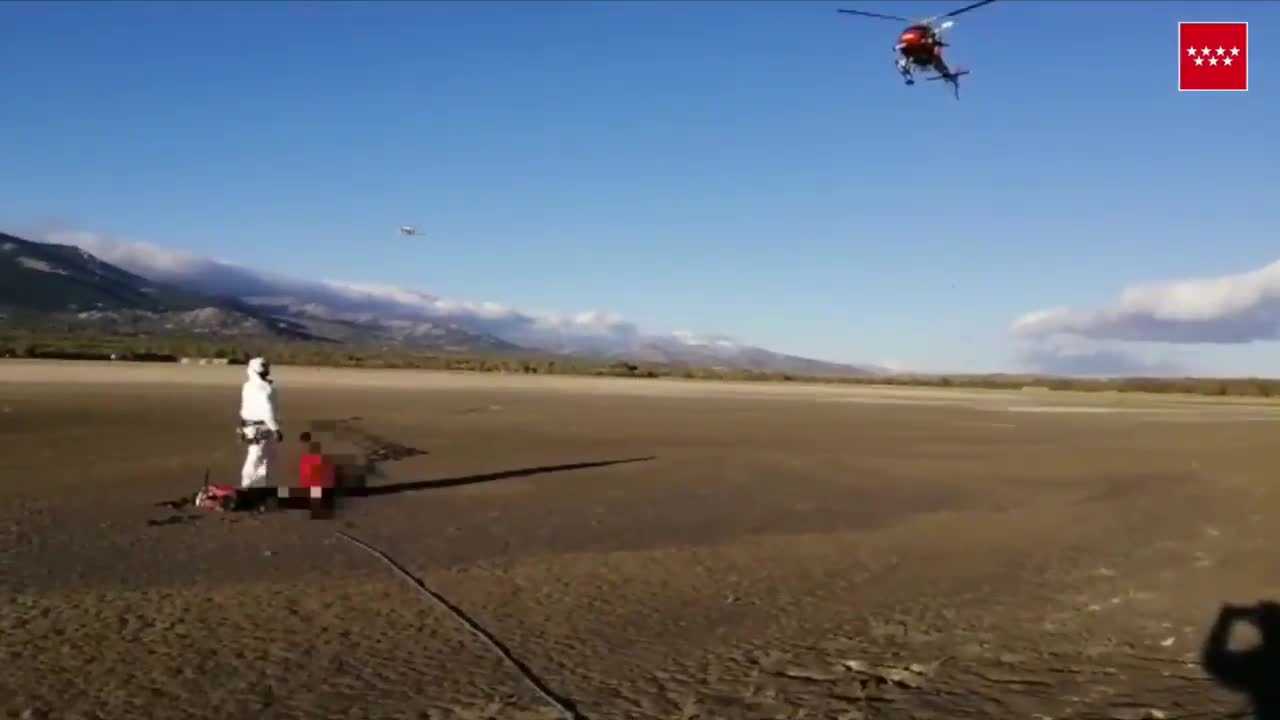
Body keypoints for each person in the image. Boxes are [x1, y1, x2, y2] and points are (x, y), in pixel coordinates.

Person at [238, 356, 282, 489]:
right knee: (256, 456)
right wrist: (275, 429)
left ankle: (258, 487)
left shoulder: (247, 386)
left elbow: (245, 407)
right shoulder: (264, 388)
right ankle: (247, 485)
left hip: (249, 425)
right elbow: (266, 411)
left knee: (261, 457)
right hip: (260, 427)